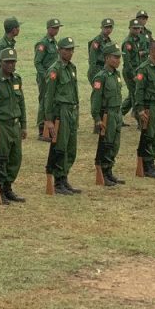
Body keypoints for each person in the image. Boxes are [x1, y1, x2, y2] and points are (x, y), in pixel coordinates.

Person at [0, 47, 27, 203]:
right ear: (1, 62)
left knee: (16, 157)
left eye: (13, 62)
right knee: (1, 158)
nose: (10, 65)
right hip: (1, 126)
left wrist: (24, 125)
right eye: (7, 62)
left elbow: (21, 103)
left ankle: (8, 187)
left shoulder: (17, 79)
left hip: (15, 125)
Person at [43, 36, 80, 194]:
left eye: (72, 49)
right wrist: (48, 119)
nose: (70, 52)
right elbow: (48, 96)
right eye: (67, 50)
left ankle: (64, 177)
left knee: (71, 148)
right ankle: (58, 182)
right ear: (59, 50)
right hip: (61, 112)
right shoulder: (55, 70)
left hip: (71, 111)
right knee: (60, 147)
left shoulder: (72, 68)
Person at [91, 44, 125, 185]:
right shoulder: (101, 77)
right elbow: (96, 99)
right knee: (106, 143)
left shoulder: (117, 75)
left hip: (117, 113)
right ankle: (103, 172)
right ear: (107, 58)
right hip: (107, 114)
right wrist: (97, 118)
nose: (118, 60)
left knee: (115, 144)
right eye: (115, 57)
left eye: (119, 57)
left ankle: (109, 171)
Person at [134, 40, 155, 179]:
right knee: (149, 136)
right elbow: (139, 91)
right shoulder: (143, 69)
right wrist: (141, 109)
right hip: (149, 108)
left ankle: (151, 162)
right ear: (152, 52)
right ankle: (147, 165)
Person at [33, 19, 62, 139]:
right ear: (48, 28)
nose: (56, 30)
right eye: (54, 28)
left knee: (51, 101)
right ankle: (41, 129)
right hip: (44, 78)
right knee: (44, 101)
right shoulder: (42, 44)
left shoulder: (55, 43)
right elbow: (37, 62)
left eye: (58, 28)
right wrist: (45, 76)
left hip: (52, 77)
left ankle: (49, 127)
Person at [87, 18, 116, 83]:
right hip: (97, 70)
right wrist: (94, 74)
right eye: (106, 27)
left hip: (105, 70)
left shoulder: (109, 41)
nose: (108, 29)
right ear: (101, 28)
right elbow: (92, 59)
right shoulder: (97, 41)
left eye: (110, 27)